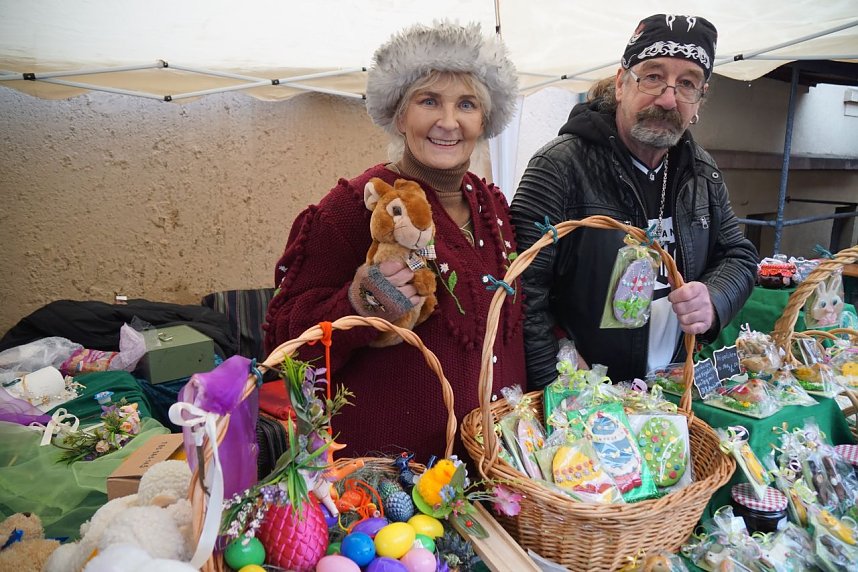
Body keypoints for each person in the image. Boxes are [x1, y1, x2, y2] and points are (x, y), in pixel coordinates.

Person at [263, 21, 525, 463]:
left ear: (485, 119)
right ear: (400, 115)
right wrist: (358, 305)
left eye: (466, 104)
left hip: (492, 477)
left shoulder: (492, 206)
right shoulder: (354, 206)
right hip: (390, 487)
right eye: (429, 101)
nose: (448, 121)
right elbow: (284, 347)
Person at [510, 14, 758, 389]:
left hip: (670, 390)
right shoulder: (559, 166)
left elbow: (738, 255)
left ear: (699, 101)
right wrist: (558, 375)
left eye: (687, 83)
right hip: (583, 394)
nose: (668, 97)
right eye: (653, 76)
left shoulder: (701, 172)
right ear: (621, 84)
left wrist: (716, 296)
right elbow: (521, 288)